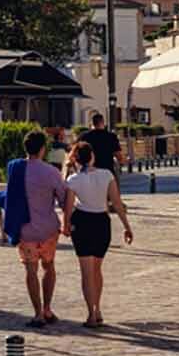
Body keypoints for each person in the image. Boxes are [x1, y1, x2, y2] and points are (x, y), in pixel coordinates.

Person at [62, 140, 133, 328]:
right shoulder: (106, 175)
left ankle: (91, 314)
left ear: (76, 159)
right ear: (92, 156)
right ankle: (98, 308)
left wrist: (65, 225)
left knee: (86, 272)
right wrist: (127, 226)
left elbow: (68, 208)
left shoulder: (73, 180)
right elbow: (117, 203)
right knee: (97, 270)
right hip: (102, 222)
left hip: (82, 222)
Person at [3, 131, 67, 328]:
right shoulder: (51, 172)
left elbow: (11, 194)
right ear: (42, 149)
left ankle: (37, 313)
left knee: (31, 271)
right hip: (48, 229)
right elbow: (64, 199)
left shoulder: (15, 168)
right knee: (49, 267)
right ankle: (48, 308)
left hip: (26, 229)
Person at [82, 113, 124, 177]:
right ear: (103, 122)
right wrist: (123, 161)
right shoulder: (111, 136)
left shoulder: (84, 136)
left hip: (89, 173)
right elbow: (118, 156)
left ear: (92, 123)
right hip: (107, 172)